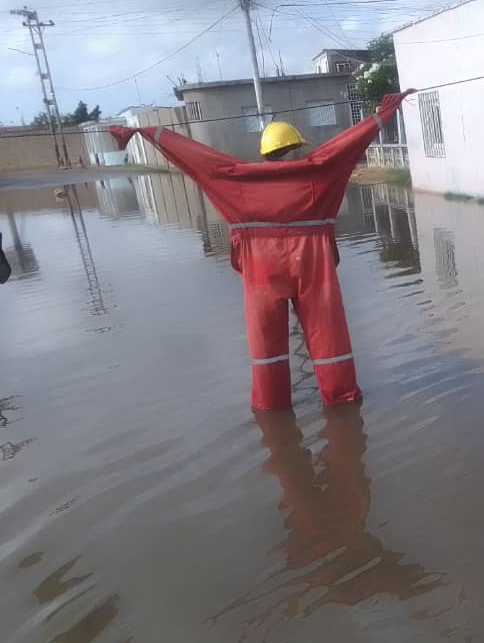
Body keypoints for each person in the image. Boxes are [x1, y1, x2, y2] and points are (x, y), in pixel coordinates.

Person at [108, 91, 413, 410]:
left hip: (261, 267)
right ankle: (342, 406)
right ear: (295, 148)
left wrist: (145, 132)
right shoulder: (321, 171)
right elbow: (349, 146)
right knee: (329, 339)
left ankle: (273, 413)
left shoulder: (233, 178)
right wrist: (382, 116)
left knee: (267, 348)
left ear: (266, 153)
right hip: (311, 263)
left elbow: (192, 156)